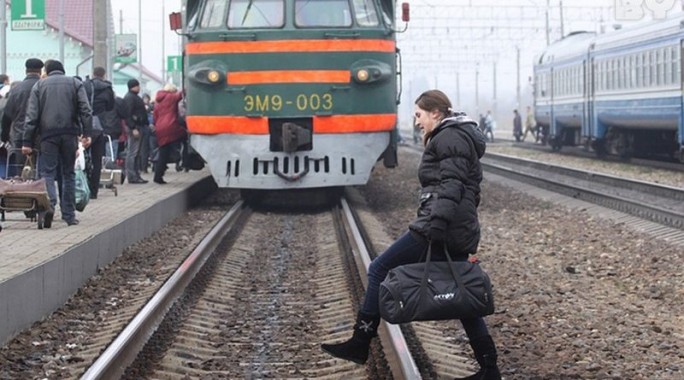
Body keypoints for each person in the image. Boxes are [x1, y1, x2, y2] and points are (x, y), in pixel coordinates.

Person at [320, 90, 501, 379]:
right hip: (453, 226)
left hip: (440, 227)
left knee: (379, 268)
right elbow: (467, 190)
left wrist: (437, 223)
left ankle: (360, 342)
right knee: (463, 292)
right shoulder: (455, 135)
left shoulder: (449, 137)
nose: (416, 122)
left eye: (418, 115)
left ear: (436, 113)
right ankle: (489, 367)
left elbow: (452, 185)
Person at [22, 60, 92, 227]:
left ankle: (48, 208)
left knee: (47, 173)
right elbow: (85, 109)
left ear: (47, 70)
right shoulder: (75, 83)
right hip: (70, 135)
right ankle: (69, 215)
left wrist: (27, 141)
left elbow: (31, 116)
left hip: (47, 136)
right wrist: (87, 133)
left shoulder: (40, 85)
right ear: (63, 70)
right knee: (69, 174)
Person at [1, 59, 44, 178]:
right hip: (41, 134)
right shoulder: (44, 87)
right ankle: (39, 191)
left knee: (22, 169)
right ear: (40, 71)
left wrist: (4, 137)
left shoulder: (16, 89)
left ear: (26, 71)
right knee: (41, 169)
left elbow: (7, 115)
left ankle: (24, 193)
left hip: (20, 134)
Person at [84, 67, 115, 199]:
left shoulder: (85, 85)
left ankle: (83, 186)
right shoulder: (108, 88)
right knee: (97, 160)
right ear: (104, 75)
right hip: (100, 126)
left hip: (85, 125)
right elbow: (111, 106)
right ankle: (94, 191)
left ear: (93, 74)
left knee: (82, 158)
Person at [152, 83, 185, 184]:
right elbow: (180, 95)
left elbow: (155, 117)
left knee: (163, 152)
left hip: (160, 128)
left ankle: (158, 175)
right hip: (171, 127)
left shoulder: (157, 102)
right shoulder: (170, 97)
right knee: (185, 136)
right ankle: (184, 161)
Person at [123, 79, 149, 184]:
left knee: (136, 153)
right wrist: (133, 127)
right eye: (137, 86)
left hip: (139, 126)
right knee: (132, 152)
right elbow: (128, 114)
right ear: (132, 86)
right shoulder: (130, 98)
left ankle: (136, 175)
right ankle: (132, 175)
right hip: (135, 128)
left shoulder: (133, 97)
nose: (139, 87)